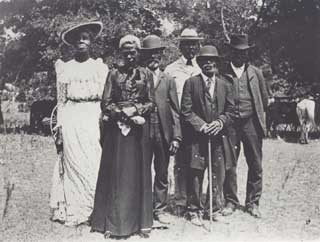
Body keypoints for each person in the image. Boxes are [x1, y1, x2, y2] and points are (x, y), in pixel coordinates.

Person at [90, 35, 155, 239]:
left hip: (138, 131)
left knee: (138, 174)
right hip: (117, 132)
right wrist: (122, 114)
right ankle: (114, 224)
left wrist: (136, 110)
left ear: (138, 52)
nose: (129, 55)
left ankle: (139, 224)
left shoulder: (146, 74)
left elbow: (151, 102)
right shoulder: (113, 74)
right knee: (117, 175)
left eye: (133, 51)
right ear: (121, 53)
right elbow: (105, 102)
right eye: (126, 51)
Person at [49, 21, 109, 226]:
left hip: (93, 116)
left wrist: (104, 119)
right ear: (73, 44)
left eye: (85, 37)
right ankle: (75, 208)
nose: (81, 41)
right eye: (78, 39)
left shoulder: (99, 67)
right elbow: (62, 100)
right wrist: (60, 127)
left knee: (93, 159)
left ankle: (94, 207)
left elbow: (104, 98)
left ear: (91, 42)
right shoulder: (65, 68)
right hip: (72, 115)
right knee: (73, 161)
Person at [180, 45, 235, 226]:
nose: (208, 63)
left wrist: (219, 122)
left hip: (218, 137)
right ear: (200, 63)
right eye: (204, 60)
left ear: (217, 63)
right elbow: (186, 112)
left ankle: (214, 208)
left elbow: (231, 110)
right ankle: (194, 209)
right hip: (196, 138)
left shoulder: (225, 85)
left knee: (217, 173)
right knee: (196, 172)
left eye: (212, 60)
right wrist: (202, 126)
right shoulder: (191, 83)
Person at [222, 34, 269, 218]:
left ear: (247, 53)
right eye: (237, 52)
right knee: (229, 164)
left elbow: (264, 99)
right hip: (230, 124)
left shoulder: (255, 73)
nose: (240, 55)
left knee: (255, 164)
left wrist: (257, 118)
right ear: (231, 52)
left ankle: (253, 203)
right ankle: (230, 201)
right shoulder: (223, 72)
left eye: (244, 52)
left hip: (251, 123)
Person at [140, 35, 182, 224]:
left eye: (156, 53)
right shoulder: (138, 75)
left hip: (163, 132)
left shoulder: (168, 79)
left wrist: (176, 137)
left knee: (162, 172)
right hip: (143, 131)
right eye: (149, 54)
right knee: (142, 170)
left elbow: (175, 109)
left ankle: (160, 208)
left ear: (161, 55)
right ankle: (142, 208)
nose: (153, 57)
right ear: (144, 56)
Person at [164, 28, 202, 215]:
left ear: (198, 46)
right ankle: (180, 200)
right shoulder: (171, 70)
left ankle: (194, 201)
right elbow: (168, 100)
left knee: (196, 162)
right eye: (186, 43)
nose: (190, 47)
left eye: (194, 44)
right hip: (178, 122)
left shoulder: (203, 68)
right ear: (180, 46)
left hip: (197, 123)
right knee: (179, 162)